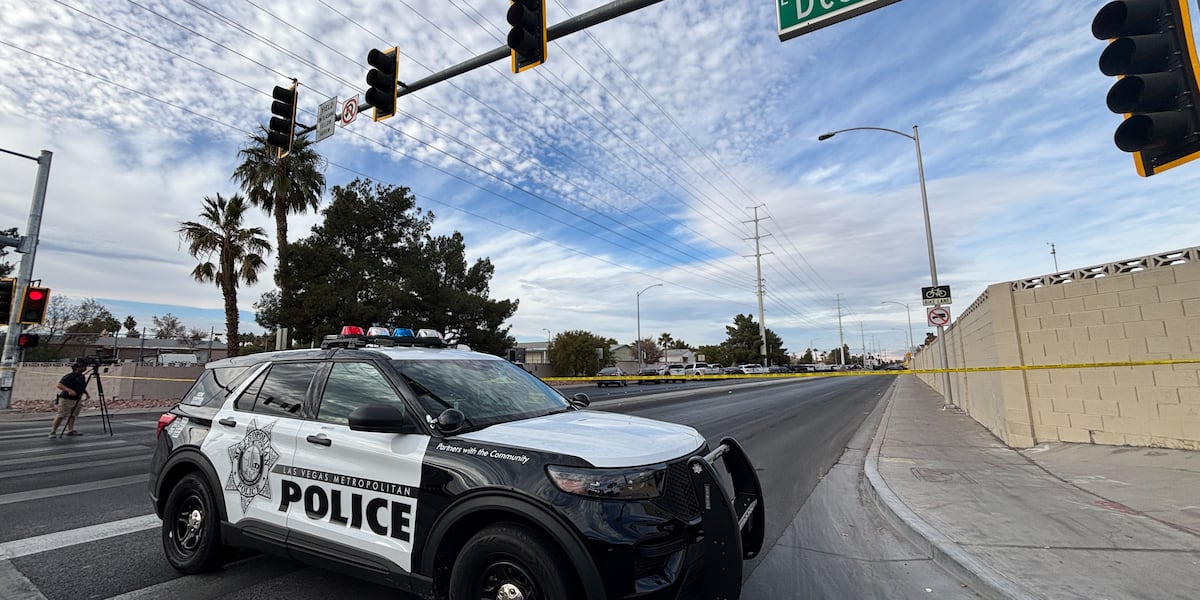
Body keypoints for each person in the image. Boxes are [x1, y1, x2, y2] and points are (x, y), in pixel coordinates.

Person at [50, 361, 90, 437]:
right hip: (66, 398)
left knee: (73, 415)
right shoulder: (69, 376)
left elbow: (82, 387)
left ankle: (70, 430)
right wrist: (69, 390)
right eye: (83, 366)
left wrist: (86, 393)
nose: (85, 368)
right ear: (77, 368)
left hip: (77, 398)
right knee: (61, 415)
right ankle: (53, 431)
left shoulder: (82, 377)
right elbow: (60, 385)